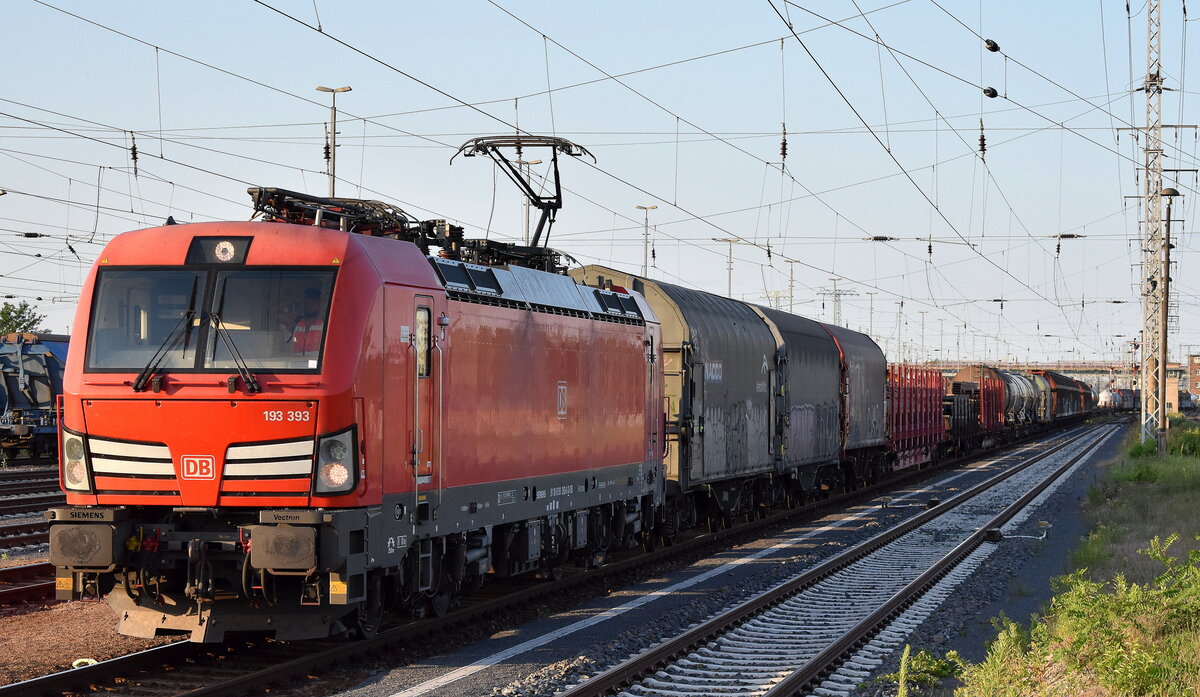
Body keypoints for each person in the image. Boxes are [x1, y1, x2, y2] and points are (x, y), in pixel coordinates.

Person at [285, 287, 324, 354]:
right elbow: (272, 312)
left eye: (313, 302)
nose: (309, 305)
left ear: (319, 304)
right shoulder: (296, 321)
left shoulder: (326, 324)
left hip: (318, 361)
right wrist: (293, 299)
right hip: (296, 361)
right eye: (307, 302)